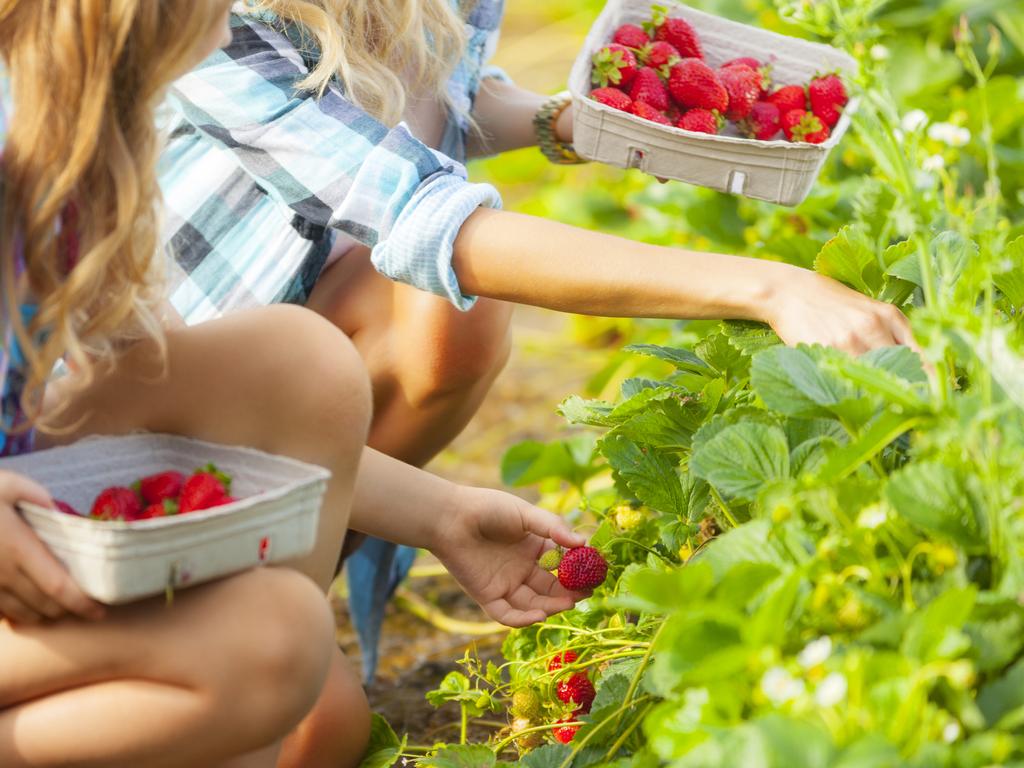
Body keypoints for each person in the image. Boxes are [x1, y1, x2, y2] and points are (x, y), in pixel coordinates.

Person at [157, 0, 918, 679]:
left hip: (304, 329)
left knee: (455, 316)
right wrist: (768, 285)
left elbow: (426, 102)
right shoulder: (210, 20)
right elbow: (431, 221)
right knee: (306, 727)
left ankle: (280, 586)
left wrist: (572, 124)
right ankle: (201, 601)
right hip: (161, 380)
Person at [1, 2, 585, 765]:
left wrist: (441, 515)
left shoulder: (96, 134)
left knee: (296, 363)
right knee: (273, 646)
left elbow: (130, 420)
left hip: (31, 515)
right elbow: (427, 215)